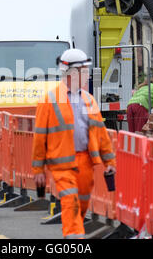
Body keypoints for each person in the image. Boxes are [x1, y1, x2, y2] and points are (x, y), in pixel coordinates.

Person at [32, 48, 116, 239]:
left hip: (86, 162)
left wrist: (110, 162)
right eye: (83, 70)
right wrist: (38, 170)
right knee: (71, 202)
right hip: (61, 164)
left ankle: (74, 232)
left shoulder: (89, 100)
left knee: (82, 204)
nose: (87, 74)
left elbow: (101, 135)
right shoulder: (49, 100)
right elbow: (39, 137)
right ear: (70, 72)